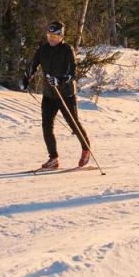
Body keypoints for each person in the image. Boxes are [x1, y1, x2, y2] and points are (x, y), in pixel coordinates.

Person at [26, 21, 91, 170]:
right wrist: (26, 77)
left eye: (54, 36)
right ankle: (53, 158)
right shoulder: (43, 49)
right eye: (49, 35)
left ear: (61, 36)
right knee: (46, 126)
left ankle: (86, 148)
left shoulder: (67, 49)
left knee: (73, 123)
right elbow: (33, 65)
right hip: (49, 95)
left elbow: (73, 73)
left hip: (66, 94)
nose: (51, 39)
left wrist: (59, 79)